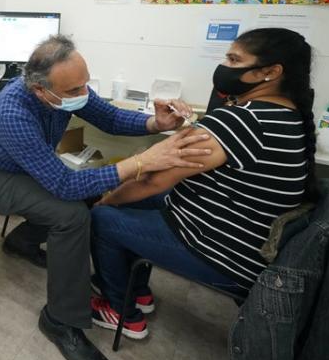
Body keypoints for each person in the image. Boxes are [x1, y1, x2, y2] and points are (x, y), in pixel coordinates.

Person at [0, 34, 211, 360]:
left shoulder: (66, 91)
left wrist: (156, 124)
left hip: (16, 164)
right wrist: (140, 163)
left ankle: (21, 242)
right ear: (41, 90)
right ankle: (59, 320)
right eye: (75, 90)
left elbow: (112, 119)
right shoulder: (14, 114)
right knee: (70, 215)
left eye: (85, 84)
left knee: (89, 192)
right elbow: (63, 185)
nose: (83, 94)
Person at [89, 28, 315, 341]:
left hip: (222, 253)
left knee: (104, 216)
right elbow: (221, 156)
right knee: (142, 200)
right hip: (243, 239)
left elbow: (153, 179)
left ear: (271, 72)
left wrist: (107, 199)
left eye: (234, 60)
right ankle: (136, 290)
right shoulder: (287, 114)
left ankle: (121, 312)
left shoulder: (241, 119)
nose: (225, 66)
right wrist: (192, 126)